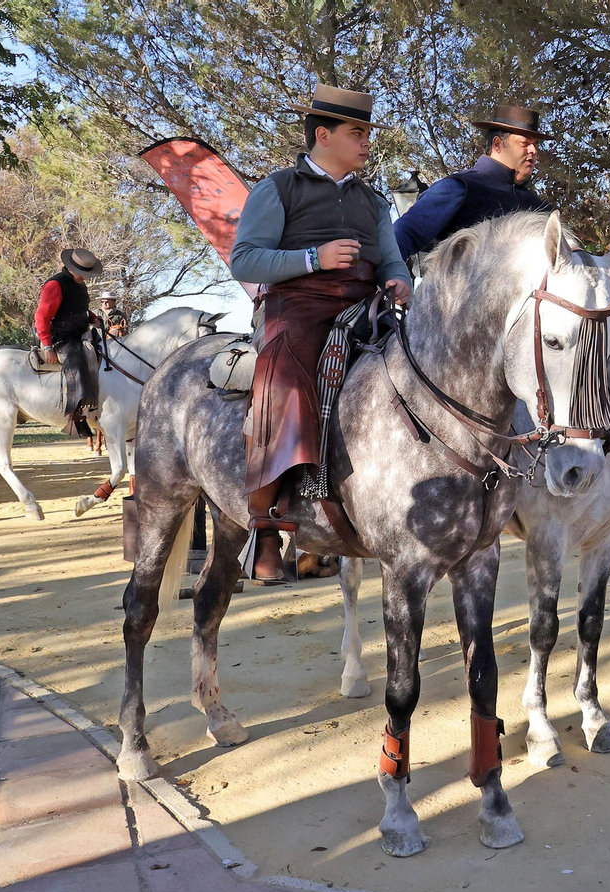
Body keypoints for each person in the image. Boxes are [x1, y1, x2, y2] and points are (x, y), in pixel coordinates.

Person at [229, 83, 412, 582]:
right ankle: (265, 525)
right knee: (284, 376)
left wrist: (400, 281)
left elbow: (392, 259)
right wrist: (314, 258)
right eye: (358, 133)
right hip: (297, 306)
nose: (367, 141)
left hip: (364, 307)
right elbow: (243, 259)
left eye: (368, 133)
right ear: (323, 134)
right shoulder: (279, 188)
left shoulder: (373, 202)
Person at [392, 104, 554, 264]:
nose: (533, 150)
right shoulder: (459, 187)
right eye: (524, 143)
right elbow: (403, 235)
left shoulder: (540, 208)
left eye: (535, 145)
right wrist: (393, 276)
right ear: (497, 144)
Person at [34, 248, 103, 437]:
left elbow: (79, 309)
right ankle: (75, 414)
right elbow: (41, 317)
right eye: (84, 274)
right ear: (72, 268)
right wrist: (47, 345)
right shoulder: (55, 285)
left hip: (80, 333)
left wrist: (93, 318)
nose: (86, 278)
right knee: (77, 364)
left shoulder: (80, 285)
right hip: (61, 337)